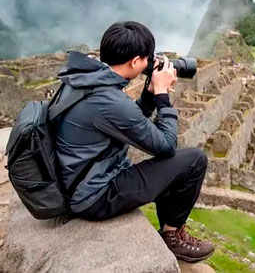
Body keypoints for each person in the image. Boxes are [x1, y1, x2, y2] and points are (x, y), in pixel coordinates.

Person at [54, 21, 214, 262]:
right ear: (134, 61)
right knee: (194, 160)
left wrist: (148, 94)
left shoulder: (85, 80)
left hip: (73, 181)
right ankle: (173, 237)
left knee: (170, 165)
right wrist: (162, 96)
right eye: (147, 58)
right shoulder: (109, 100)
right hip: (93, 197)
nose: (149, 63)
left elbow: (128, 121)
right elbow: (166, 145)